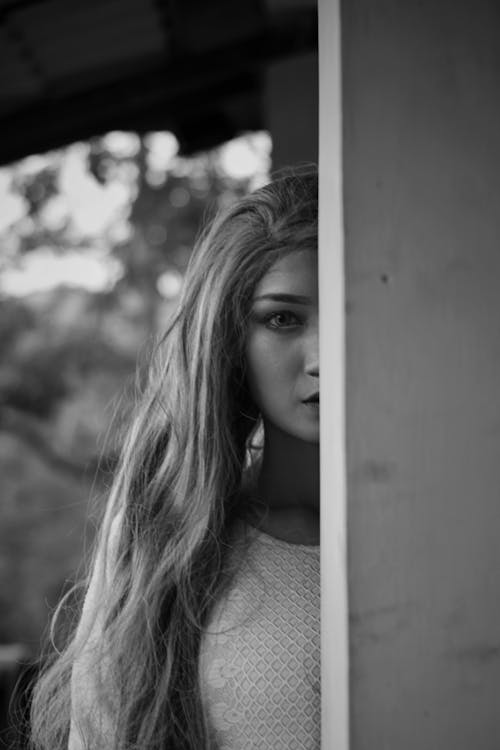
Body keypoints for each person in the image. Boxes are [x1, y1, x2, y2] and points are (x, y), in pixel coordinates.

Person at [30, 167, 320, 750]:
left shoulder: (460, 528)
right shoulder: (165, 535)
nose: (325, 357)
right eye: (283, 319)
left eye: (351, 314)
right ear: (229, 339)